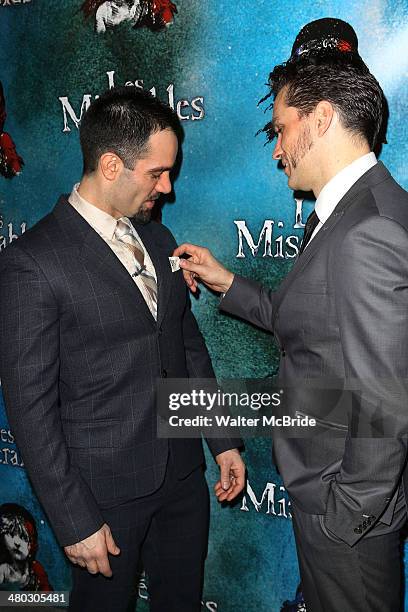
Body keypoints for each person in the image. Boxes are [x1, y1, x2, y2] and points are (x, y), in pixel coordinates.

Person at [174, 18, 408, 612]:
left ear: (322, 118)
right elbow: (321, 329)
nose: (276, 151)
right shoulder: (359, 211)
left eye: (281, 130)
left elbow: (384, 400)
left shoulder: (366, 230)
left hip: (346, 516)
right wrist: (228, 281)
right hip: (344, 500)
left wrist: (341, 519)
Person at [0, 86, 244, 611]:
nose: (169, 186)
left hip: (182, 478)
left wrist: (221, 442)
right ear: (111, 165)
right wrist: (73, 520)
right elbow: (30, 410)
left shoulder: (158, 238)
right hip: (103, 496)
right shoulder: (33, 262)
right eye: (157, 172)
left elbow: (186, 347)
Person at [0, 503, 52, 591]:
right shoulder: (3, 570)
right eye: (11, 534)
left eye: (23, 537)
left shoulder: (36, 570)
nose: (17, 542)